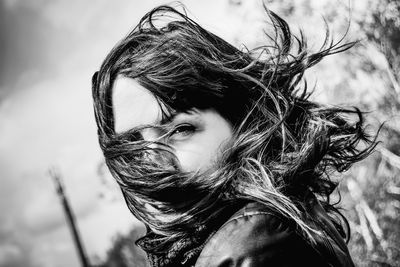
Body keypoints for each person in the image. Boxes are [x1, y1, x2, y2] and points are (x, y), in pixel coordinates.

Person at [92, 5, 377, 267]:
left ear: (242, 122)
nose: (153, 161)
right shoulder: (254, 228)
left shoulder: (251, 246)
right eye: (135, 147)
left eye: (180, 130)